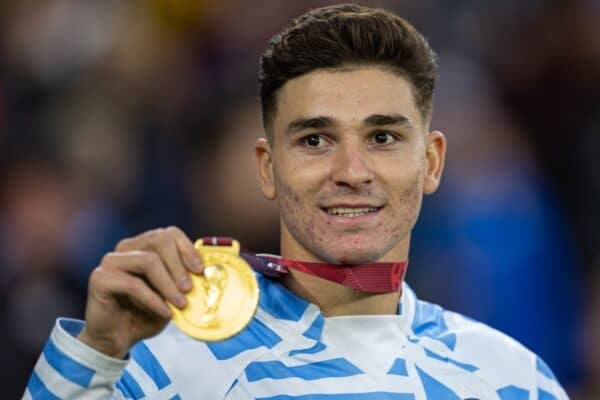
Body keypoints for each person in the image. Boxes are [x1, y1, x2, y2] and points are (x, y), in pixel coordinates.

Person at [23, 4, 569, 399]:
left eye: (382, 138)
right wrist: (96, 351)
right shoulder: (164, 365)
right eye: (315, 140)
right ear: (267, 167)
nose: (351, 172)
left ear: (431, 162)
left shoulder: (514, 379)